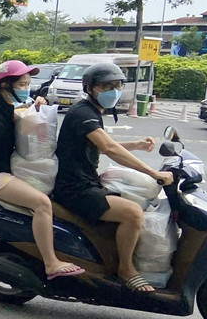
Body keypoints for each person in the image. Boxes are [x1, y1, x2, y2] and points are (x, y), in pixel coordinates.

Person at [0, 60, 84, 280]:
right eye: (22, 84)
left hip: (8, 170)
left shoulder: (6, 106)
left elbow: (34, 134)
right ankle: (51, 263)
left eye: (28, 84)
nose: (27, 89)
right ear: (5, 85)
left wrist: (36, 110)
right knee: (41, 203)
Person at [52, 63, 173, 293]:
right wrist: (154, 173)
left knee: (137, 202)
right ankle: (126, 269)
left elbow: (102, 147)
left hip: (85, 182)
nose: (113, 91)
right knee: (133, 213)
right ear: (90, 89)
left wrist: (136, 145)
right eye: (107, 86)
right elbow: (109, 147)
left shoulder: (91, 111)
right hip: (75, 189)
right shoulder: (83, 113)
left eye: (117, 85)